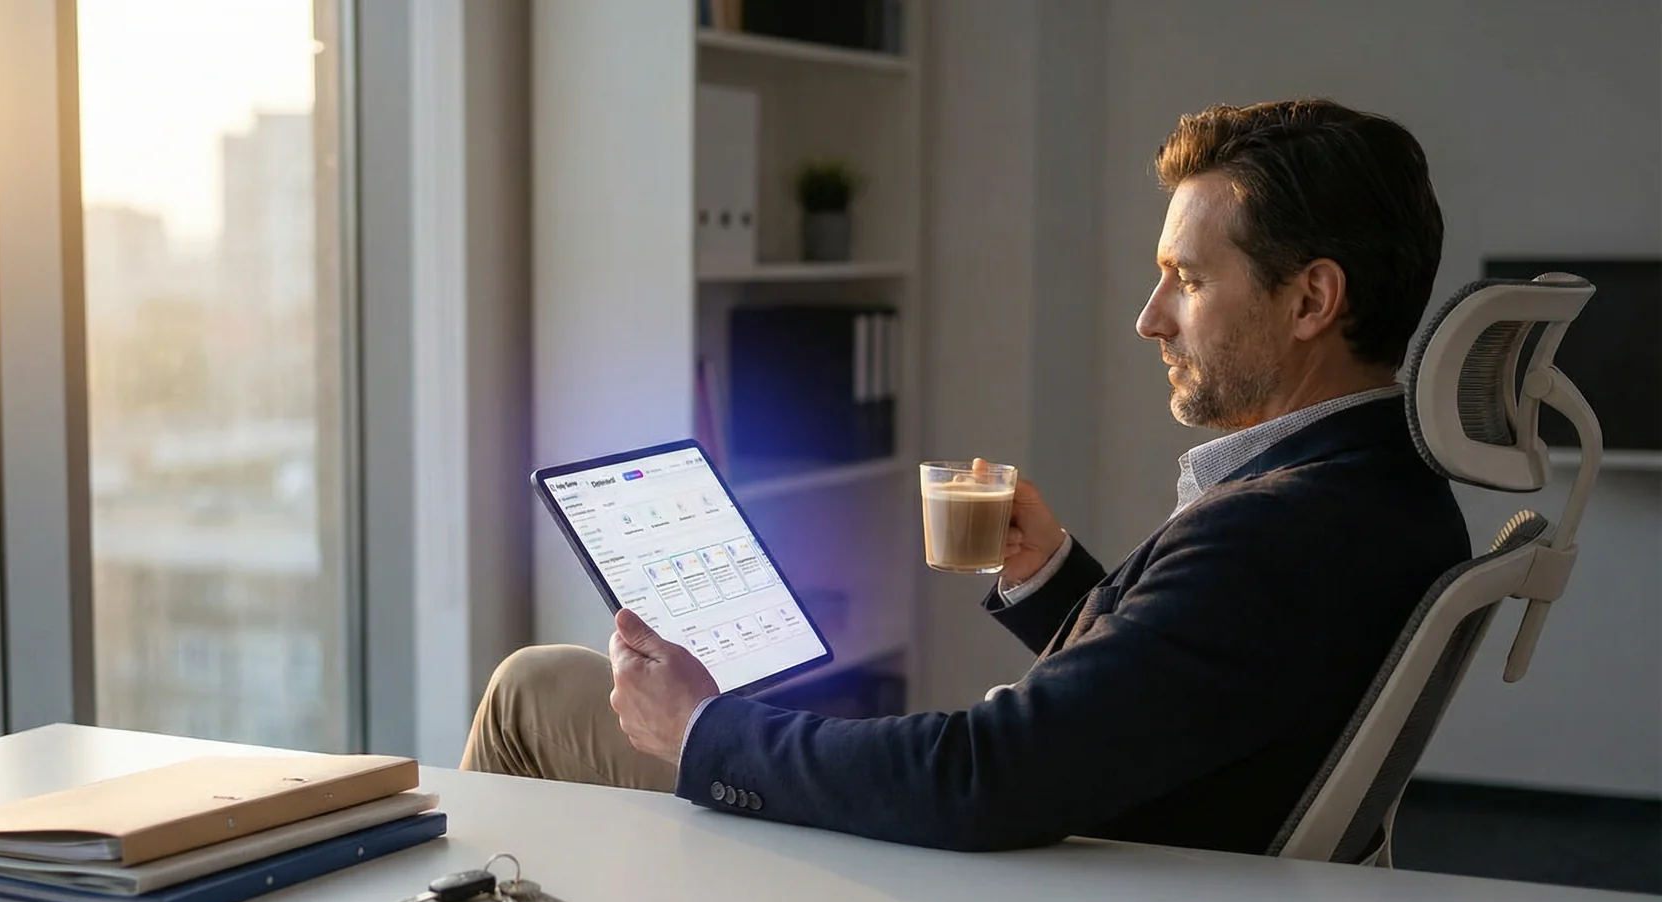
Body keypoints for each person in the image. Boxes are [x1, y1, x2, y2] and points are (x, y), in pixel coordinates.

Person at [460, 98, 1471, 854]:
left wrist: (705, 731)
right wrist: (1058, 579)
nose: (1151, 316)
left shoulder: (1280, 531)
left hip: (1019, 882)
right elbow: (1193, 687)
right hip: (1092, 845)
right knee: (574, 688)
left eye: (1191, 280)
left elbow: (985, 776)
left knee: (530, 690)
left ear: (1312, 301)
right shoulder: (1380, 488)